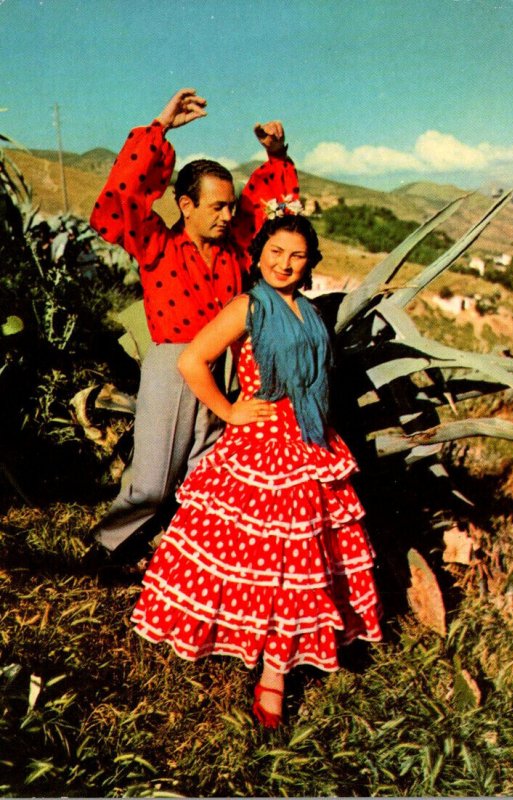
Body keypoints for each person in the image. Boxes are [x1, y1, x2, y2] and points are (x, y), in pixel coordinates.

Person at [131, 210, 383, 728]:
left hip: (309, 442)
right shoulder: (249, 305)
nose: (284, 264)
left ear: (310, 262)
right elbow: (191, 360)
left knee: (302, 565)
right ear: (260, 253)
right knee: (262, 561)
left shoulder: (310, 313)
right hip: (261, 446)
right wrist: (229, 410)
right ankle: (254, 656)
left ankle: (276, 673)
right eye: (275, 252)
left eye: (296, 256)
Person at [89, 87, 298, 564]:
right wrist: (159, 127)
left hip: (225, 367)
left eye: (230, 206)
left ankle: (189, 562)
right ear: (185, 206)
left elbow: (276, 212)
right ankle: (107, 548)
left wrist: (276, 155)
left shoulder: (236, 249)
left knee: (208, 473)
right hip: (174, 366)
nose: (229, 215)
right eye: (217, 207)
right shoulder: (156, 244)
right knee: (153, 478)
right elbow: (117, 202)